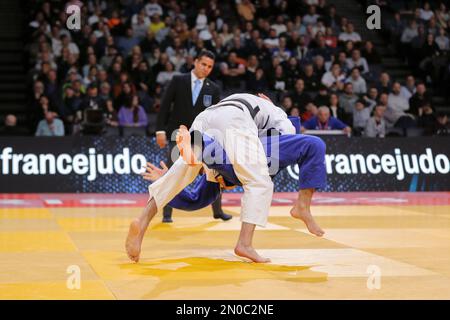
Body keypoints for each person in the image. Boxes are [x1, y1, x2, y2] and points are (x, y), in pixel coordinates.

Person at [126, 93, 323, 264]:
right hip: (235, 122)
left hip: (206, 119)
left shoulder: (214, 175)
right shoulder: (279, 117)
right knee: (262, 179)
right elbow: (291, 141)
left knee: (191, 168)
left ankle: (142, 221)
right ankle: (247, 242)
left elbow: (194, 200)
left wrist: (165, 179)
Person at [155, 50, 231, 223]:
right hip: (177, 134)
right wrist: (160, 131)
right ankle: (167, 213)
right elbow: (165, 106)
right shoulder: (178, 80)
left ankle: (217, 211)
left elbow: (216, 116)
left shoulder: (213, 88)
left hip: (202, 137)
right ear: (195, 62)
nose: (206, 68)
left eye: (210, 66)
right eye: (203, 64)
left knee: (213, 172)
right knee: (173, 171)